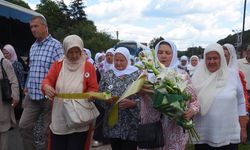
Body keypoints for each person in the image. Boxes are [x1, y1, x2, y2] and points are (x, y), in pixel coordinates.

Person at [139, 39, 199, 150]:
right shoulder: (146, 75)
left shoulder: (182, 75)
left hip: (174, 128)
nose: (163, 56)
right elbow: (134, 96)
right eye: (160, 52)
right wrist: (140, 91)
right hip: (152, 127)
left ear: (174, 54)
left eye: (168, 53)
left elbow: (194, 100)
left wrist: (192, 111)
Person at [41, 34, 98, 150]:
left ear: (82, 50)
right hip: (60, 113)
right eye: (70, 52)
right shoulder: (58, 65)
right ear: (65, 50)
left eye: (77, 52)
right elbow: (47, 80)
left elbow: (93, 87)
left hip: (80, 116)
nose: (74, 55)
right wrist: (46, 86)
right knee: (58, 144)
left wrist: (92, 94)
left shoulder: (88, 66)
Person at [18, 15, 64, 150]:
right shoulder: (33, 47)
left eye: (36, 26)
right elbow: (32, 70)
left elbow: (61, 72)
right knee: (23, 126)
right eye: (31, 27)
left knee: (47, 131)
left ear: (45, 26)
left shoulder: (56, 46)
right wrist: (26, 87)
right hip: (32, 96)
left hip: (49, 97)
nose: (33, 29)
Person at [192, 43, 247, 149]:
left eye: (215, 58)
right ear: (204, 59)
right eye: (208, 58)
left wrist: (243, 128)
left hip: (228, 135)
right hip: (204, 134)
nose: (211, 61)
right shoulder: (197, 77)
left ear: (221, 58)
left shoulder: (232, 75)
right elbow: (190, 101)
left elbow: (240, 101)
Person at [98, 47, 141, 150]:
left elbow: (144, 98)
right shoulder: (108, 74)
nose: (118, 63)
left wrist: (134, 103)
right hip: (114, 123)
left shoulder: (137, 74)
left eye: (122, 60)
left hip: (131, 123)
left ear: (127, 60)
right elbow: (100, 93)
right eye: (116, 60)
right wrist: (106, 99)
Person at [92, 48, 115, 147]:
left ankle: (109, 138)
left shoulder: (118, 67)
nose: (109, 57)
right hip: (101, 96)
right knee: (100, 117)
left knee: (111, 117)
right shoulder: (101, 67)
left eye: (111, 55)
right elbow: (96, 80)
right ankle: (98, 138)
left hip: (113, 96)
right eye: (108, 55)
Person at [0, 50, 19, 150]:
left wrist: (15, 97)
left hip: (2, 105)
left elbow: (13, 81)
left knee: (3, 132)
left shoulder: (4, 62)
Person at [2, 44, 25, 120]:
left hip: (16, 88)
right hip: (6, 88)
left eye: (7, 53)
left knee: (16, 106)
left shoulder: (17, 64)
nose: (5, 55)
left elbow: (21, 77)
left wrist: (21, 89)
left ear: (11, 53)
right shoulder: (2, 64)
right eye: (3, 53)